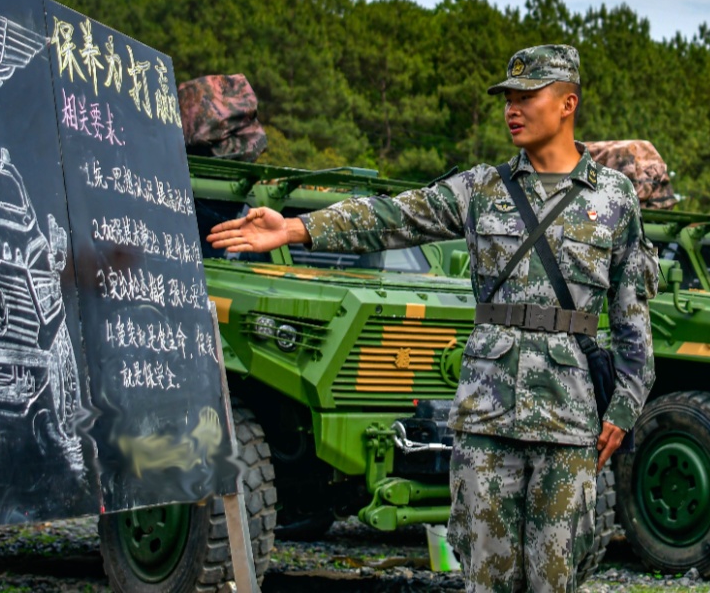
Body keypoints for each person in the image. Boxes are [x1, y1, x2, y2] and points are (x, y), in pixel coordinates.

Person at [206, 45, 657, 593]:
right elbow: (393, 216)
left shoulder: (613, 198)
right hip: (486, 419)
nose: (512, 109)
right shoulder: (481, 189)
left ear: (567, 103)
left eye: (526, 96)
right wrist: (297, 229)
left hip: (570, 420)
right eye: (507, 99)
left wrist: (627, 406)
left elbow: (632, 317)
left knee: (556, 579)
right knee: (485, 578)